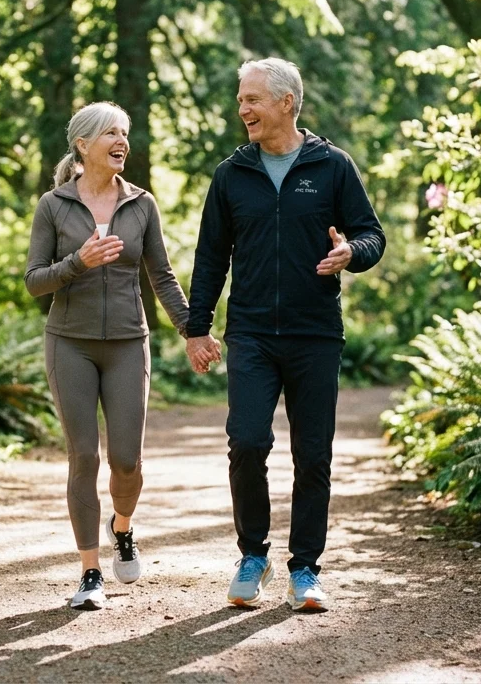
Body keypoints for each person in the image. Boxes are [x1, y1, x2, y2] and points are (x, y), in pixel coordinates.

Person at [185, 58, 385, 612]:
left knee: (312, 454)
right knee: (247, 442)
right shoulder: (231, 175)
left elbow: (371, 234)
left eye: (252, 99)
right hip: (250, 332)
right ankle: (253, 555)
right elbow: (210, 257)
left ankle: (305, 568)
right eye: (241, 99)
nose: (242, 108)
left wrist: (353, 253)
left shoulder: (332, 167)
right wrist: (196, 327)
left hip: (315, 333)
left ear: (286, 103)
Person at [25, 101, 191, 610]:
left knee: (126, 460)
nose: (122, 142)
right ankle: (90, 572)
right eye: (111, 134)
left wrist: (192, 329)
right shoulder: (54, 205)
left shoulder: (142, 204)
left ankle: (122, 527)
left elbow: (161, 275)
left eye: (125, 133)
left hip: (126, 342)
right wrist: (77, 262)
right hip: (69, 342)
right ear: (83, 145)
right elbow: (34, 282)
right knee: (83, 456)